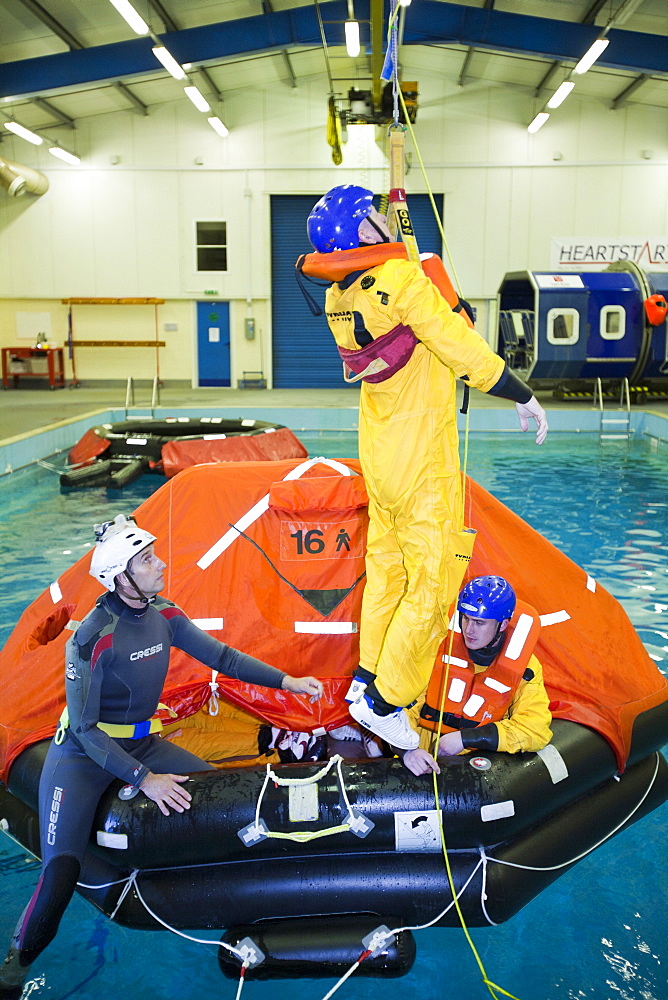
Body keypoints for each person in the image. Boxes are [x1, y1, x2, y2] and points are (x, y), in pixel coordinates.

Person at [0, 514, 323, 999]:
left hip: (140, 741)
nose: (161, 564)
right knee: (60, 874)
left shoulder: (165, 614)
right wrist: (144, 778)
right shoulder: (89, 638)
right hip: (81, 759)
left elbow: (225, 659)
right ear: (121, 577)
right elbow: (86, 731)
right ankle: (12, 970)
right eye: (148, 560)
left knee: (225, 799)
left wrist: (287, 681)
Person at [301, 184, 548, 751]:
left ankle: (366, 681)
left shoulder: (343, 300)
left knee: (387, 576)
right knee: (435, 589)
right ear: (362, 232)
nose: (386, 220)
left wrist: (412, 268)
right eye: (376, 215)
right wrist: (518, 392)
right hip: (423, 467)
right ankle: (388, 701)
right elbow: (458, 345)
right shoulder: (403, 284)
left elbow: (396, 302)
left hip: (381, 464)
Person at [401, 575, 553, 776]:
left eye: (479, 623)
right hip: (420, 752)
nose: (469, 630)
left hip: (475, 765)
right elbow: (405, 703)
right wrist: (405, 749)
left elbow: (535, 729)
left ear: (502, 624)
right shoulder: (437, 648)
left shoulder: (526, 667)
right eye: (465, 618)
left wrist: (465, 738)